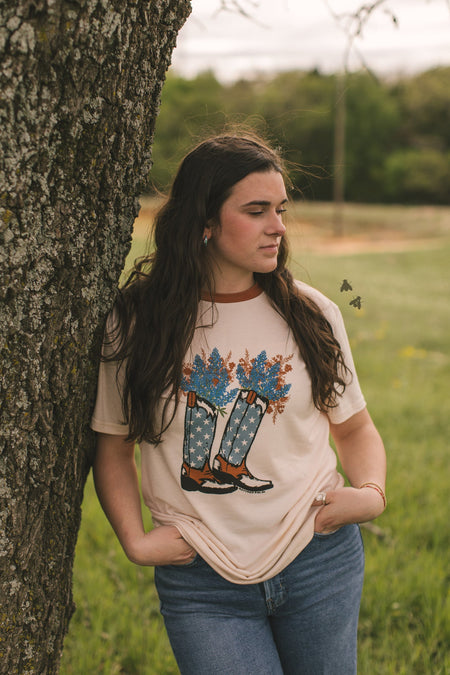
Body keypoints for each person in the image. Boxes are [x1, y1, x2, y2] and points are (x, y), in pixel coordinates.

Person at [91, 133, 386, 675]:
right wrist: (133, 539)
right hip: (202, 577)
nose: (277, 226)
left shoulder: (311, 311)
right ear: (204, 220)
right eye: (256, 211)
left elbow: (356, 427)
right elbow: (112, 444)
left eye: (280, 209)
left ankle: (230, 465)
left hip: (318, 561)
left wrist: (370, 494)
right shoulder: (137, 322)